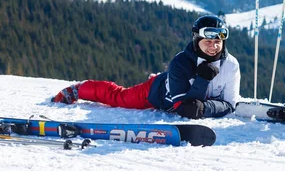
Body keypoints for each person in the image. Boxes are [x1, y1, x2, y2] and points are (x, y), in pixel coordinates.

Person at [51, 15, 241, 119]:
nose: (213, 46)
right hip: (156, 92)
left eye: (217, 41)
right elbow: (185, 109)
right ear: (196, 40)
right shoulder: (181, 62)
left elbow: (229, 105)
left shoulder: (231, 65)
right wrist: (202, 80)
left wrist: (205, 108)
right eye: (207, 41)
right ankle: (79, 89)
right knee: (119, 97)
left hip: (178, 87)